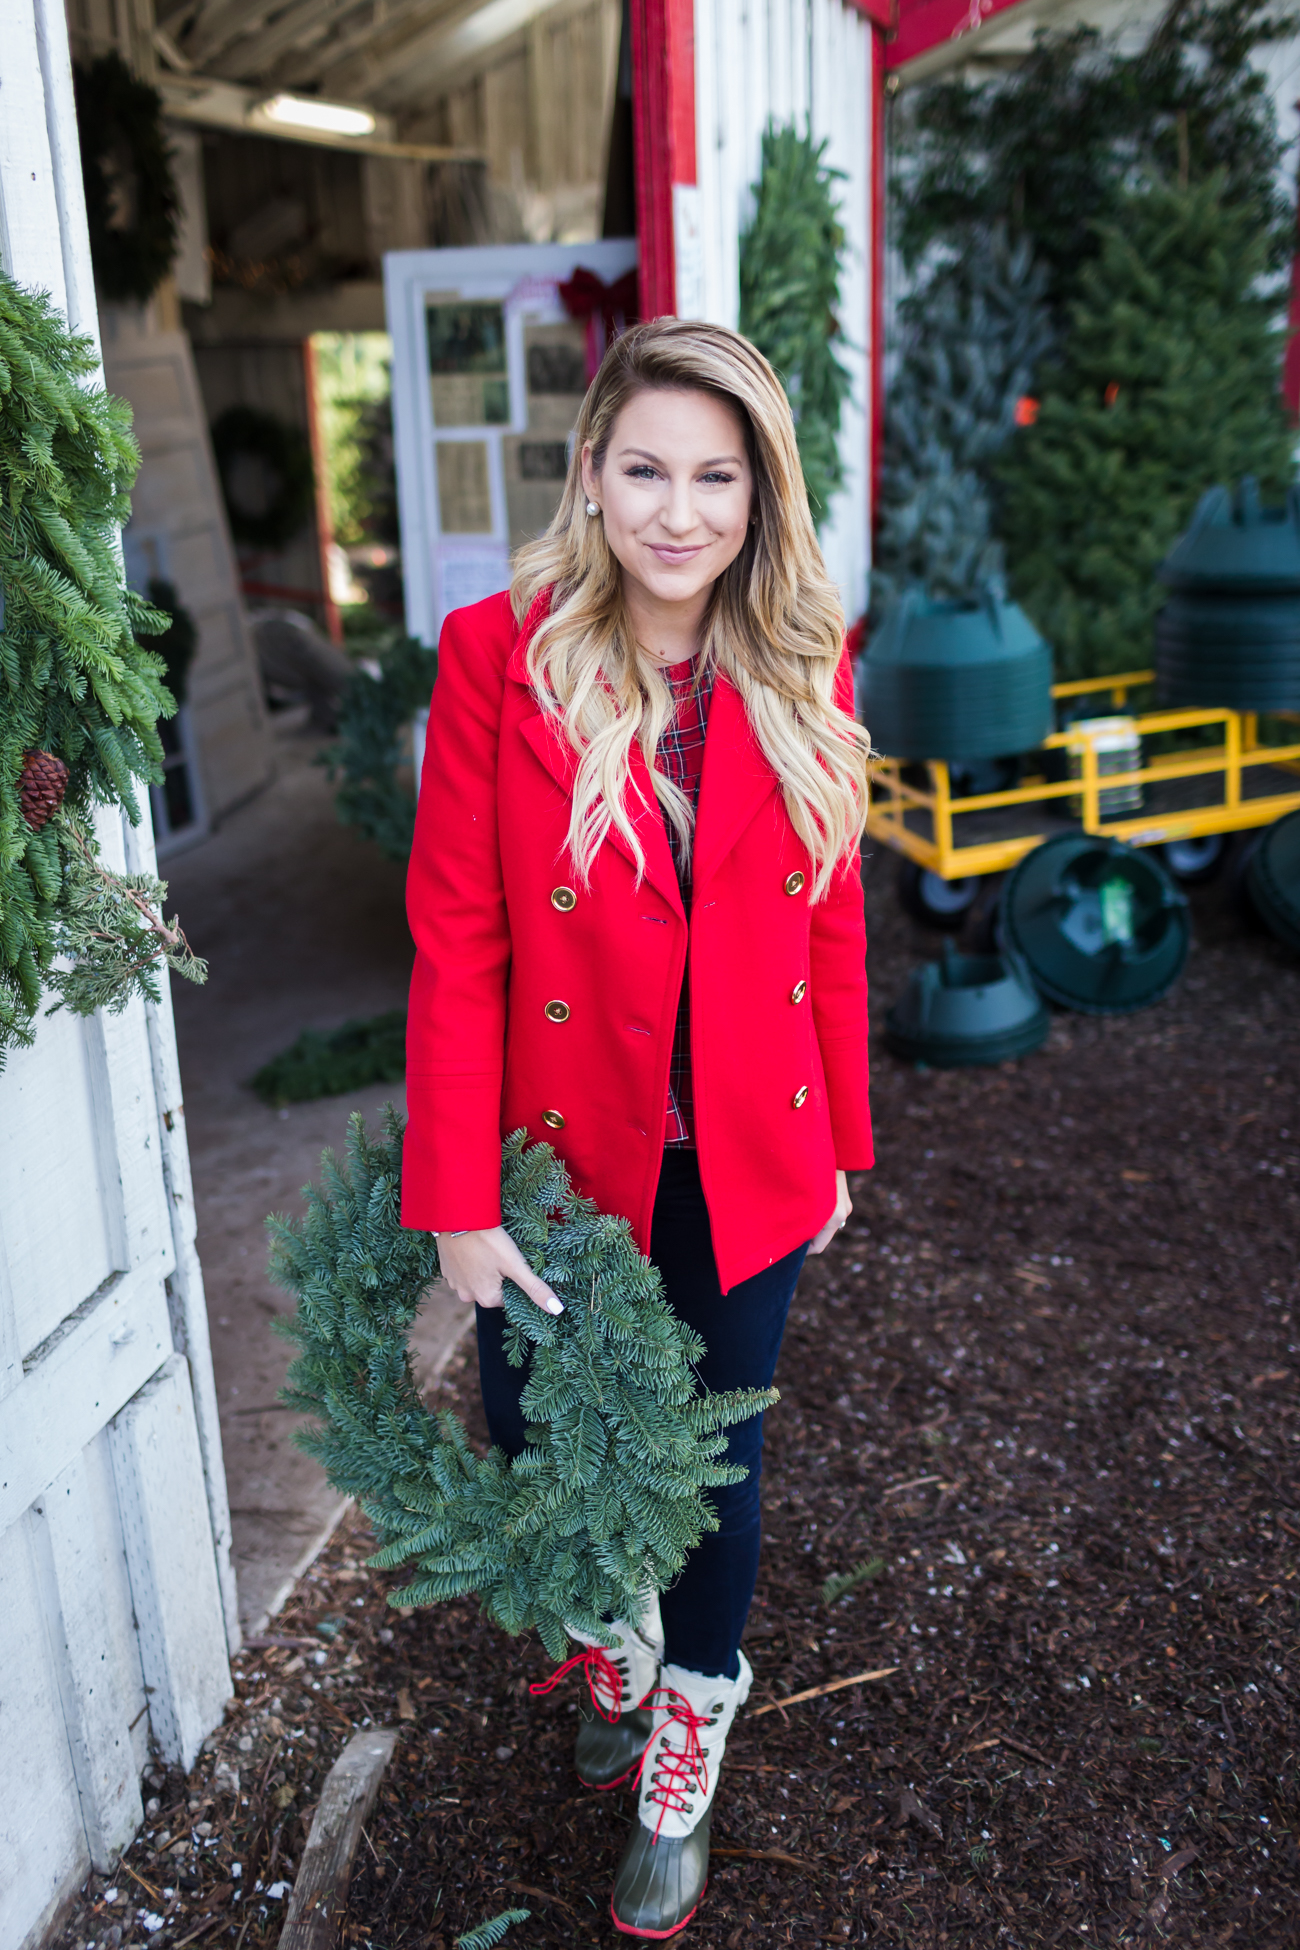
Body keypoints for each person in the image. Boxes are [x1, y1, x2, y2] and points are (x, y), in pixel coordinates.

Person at [402, 318, 873, 1938]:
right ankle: (613, 1636)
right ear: (592, 473)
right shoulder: (498, 654)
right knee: (548, 1446)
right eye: (648, 468)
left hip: (742, 1153)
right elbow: (459, 942)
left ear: (761, 491)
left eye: (717, 475)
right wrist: (460, 1202)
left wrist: (839, 1152)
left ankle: (692, 1721)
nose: (680, 511)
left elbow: (830, 920)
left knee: (713, 1465)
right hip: (557, 1151)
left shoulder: (803, 653)